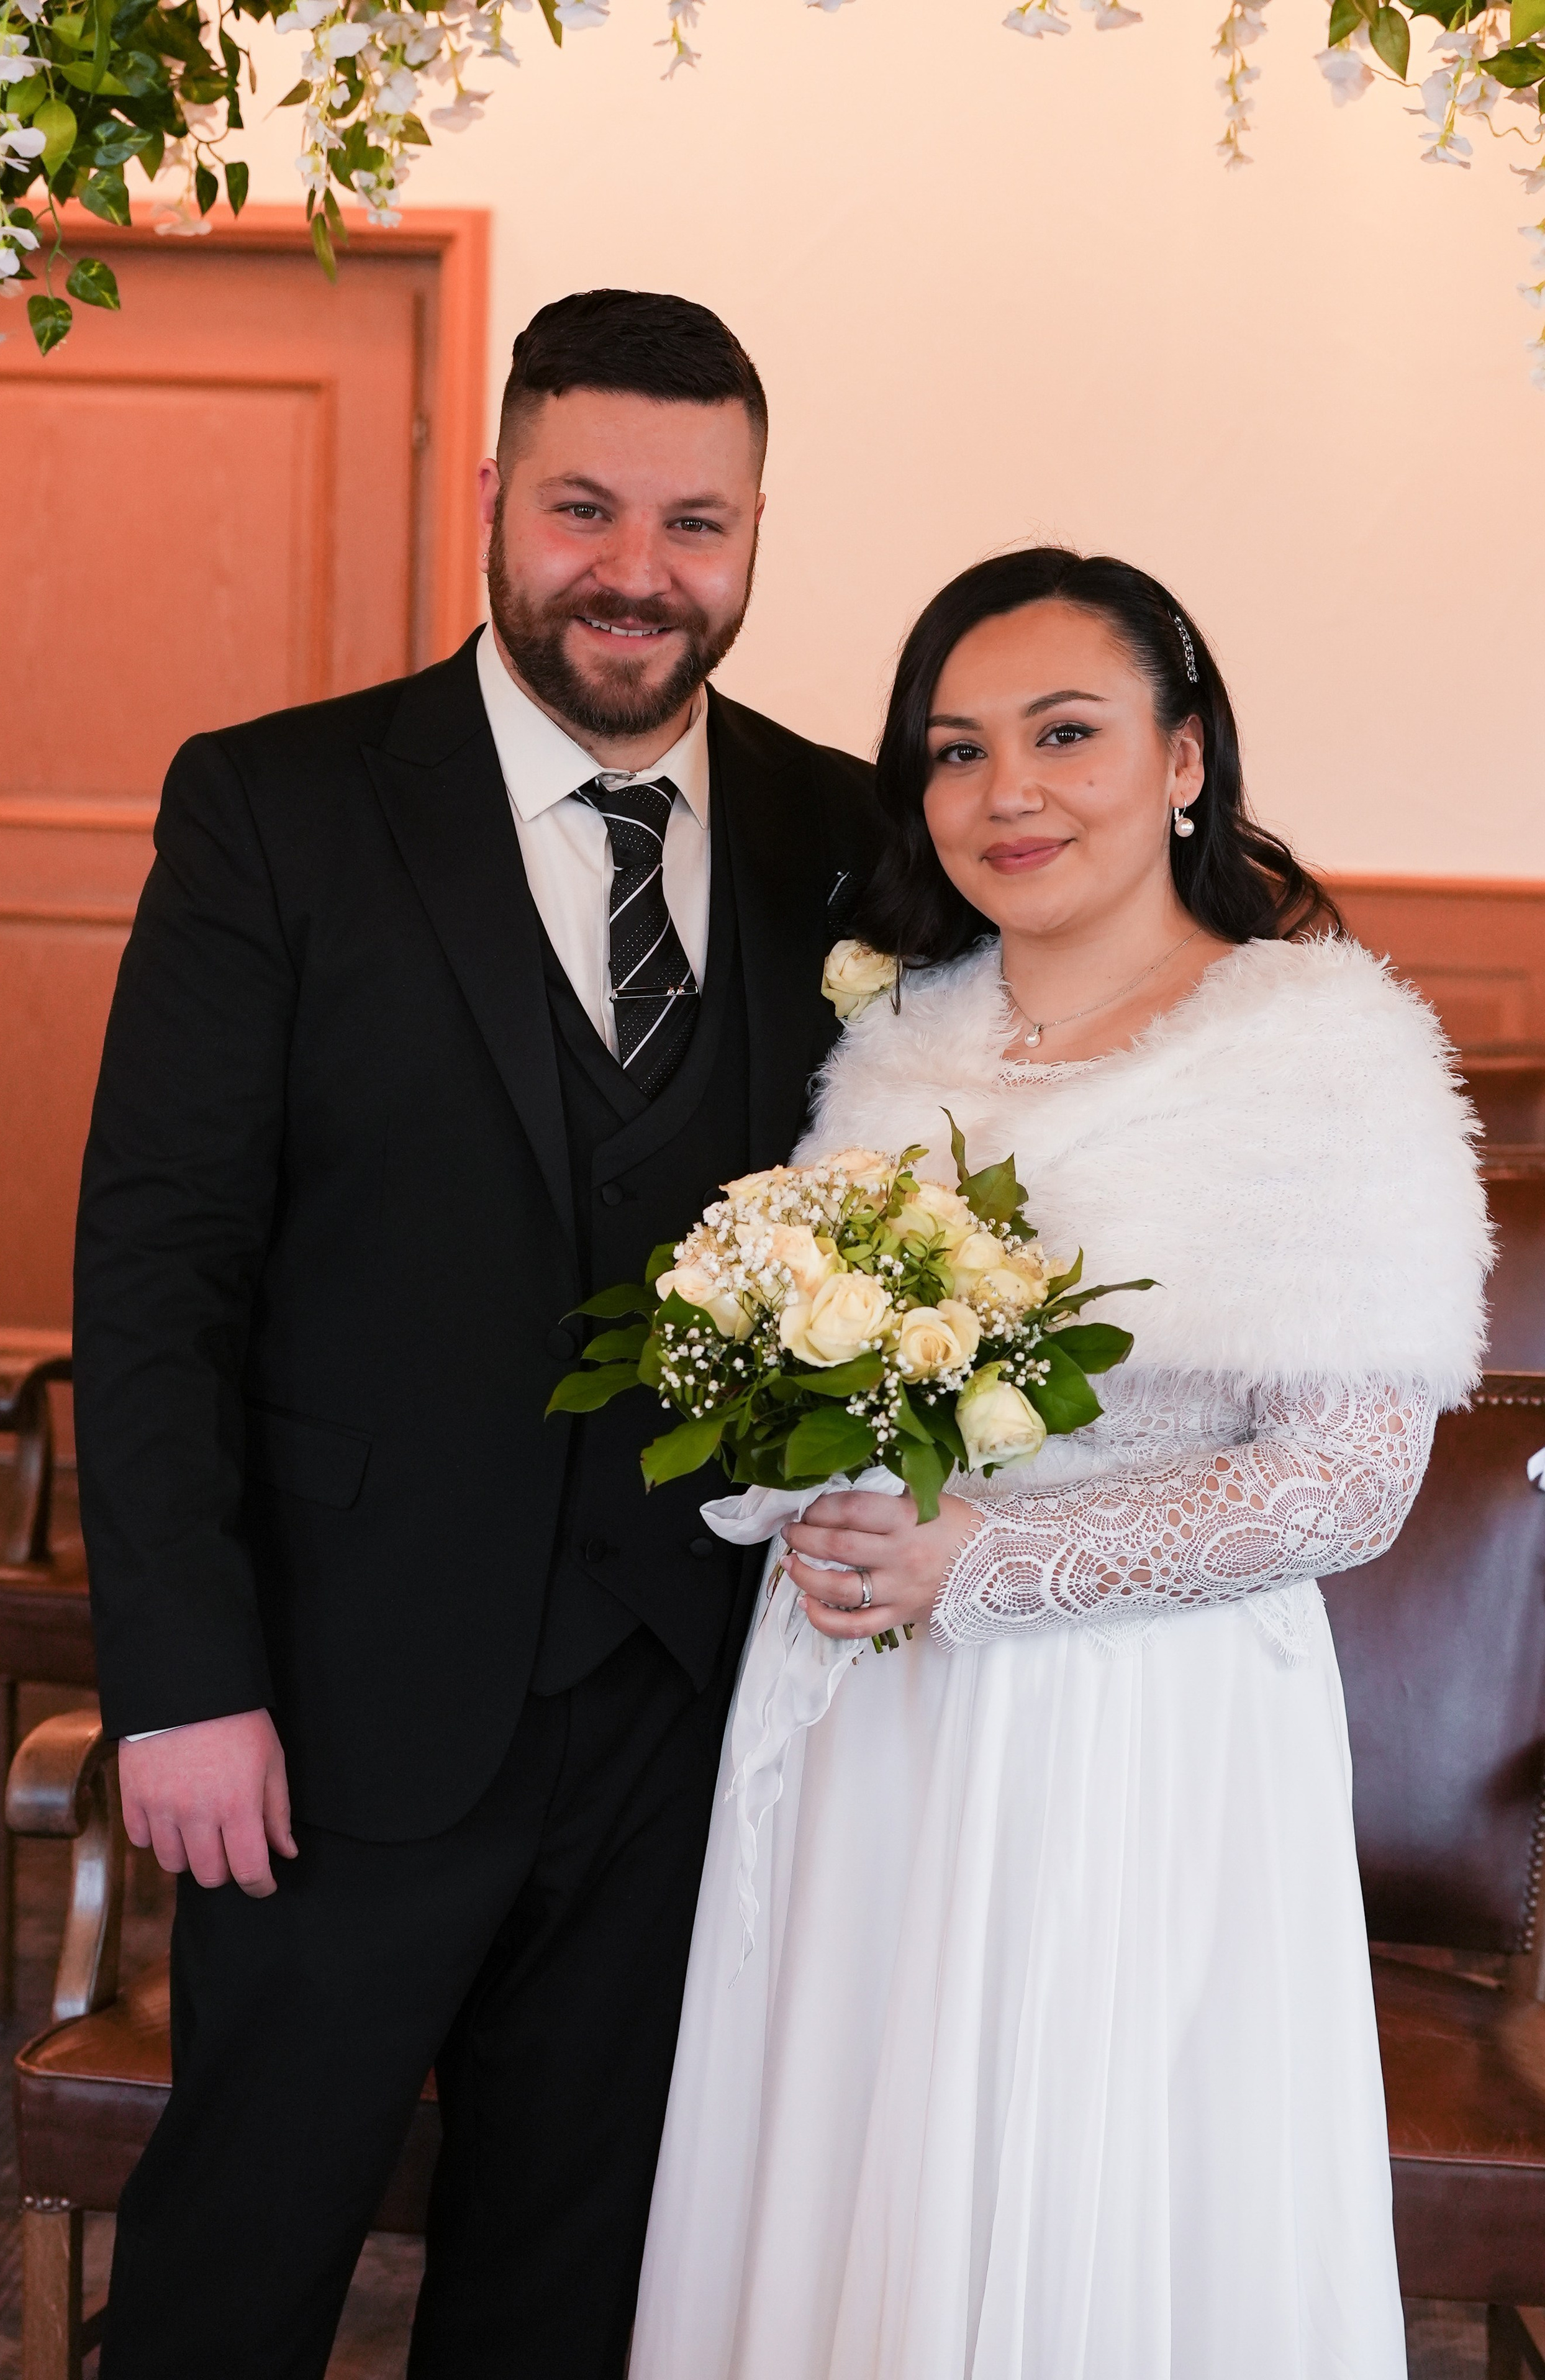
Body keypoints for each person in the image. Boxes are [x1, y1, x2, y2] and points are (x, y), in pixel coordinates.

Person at [73, 287, 876, 2379]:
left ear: (760, 524)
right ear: (493, 500)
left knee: (577, 2279)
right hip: (338, 1711)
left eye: (696, 521)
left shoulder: (846, 827)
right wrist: (178, 1678)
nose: (638, 571)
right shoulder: (275, 803)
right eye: (586, 507)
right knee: (236, 2261)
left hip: (701, 1697)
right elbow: (158, 1268)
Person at [631, 548, 1490, 2380]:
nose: (1004, 791)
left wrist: (985, 1567)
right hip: (872, 1727)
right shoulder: (900, 1044)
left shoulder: (1323, 1050)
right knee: (858, 2191)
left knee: (1077, 2211)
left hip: (1132, 1740)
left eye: (1067, 733)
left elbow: (1347, 1482)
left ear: (1186, 759)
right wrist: (802, 1492)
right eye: (955, 749)